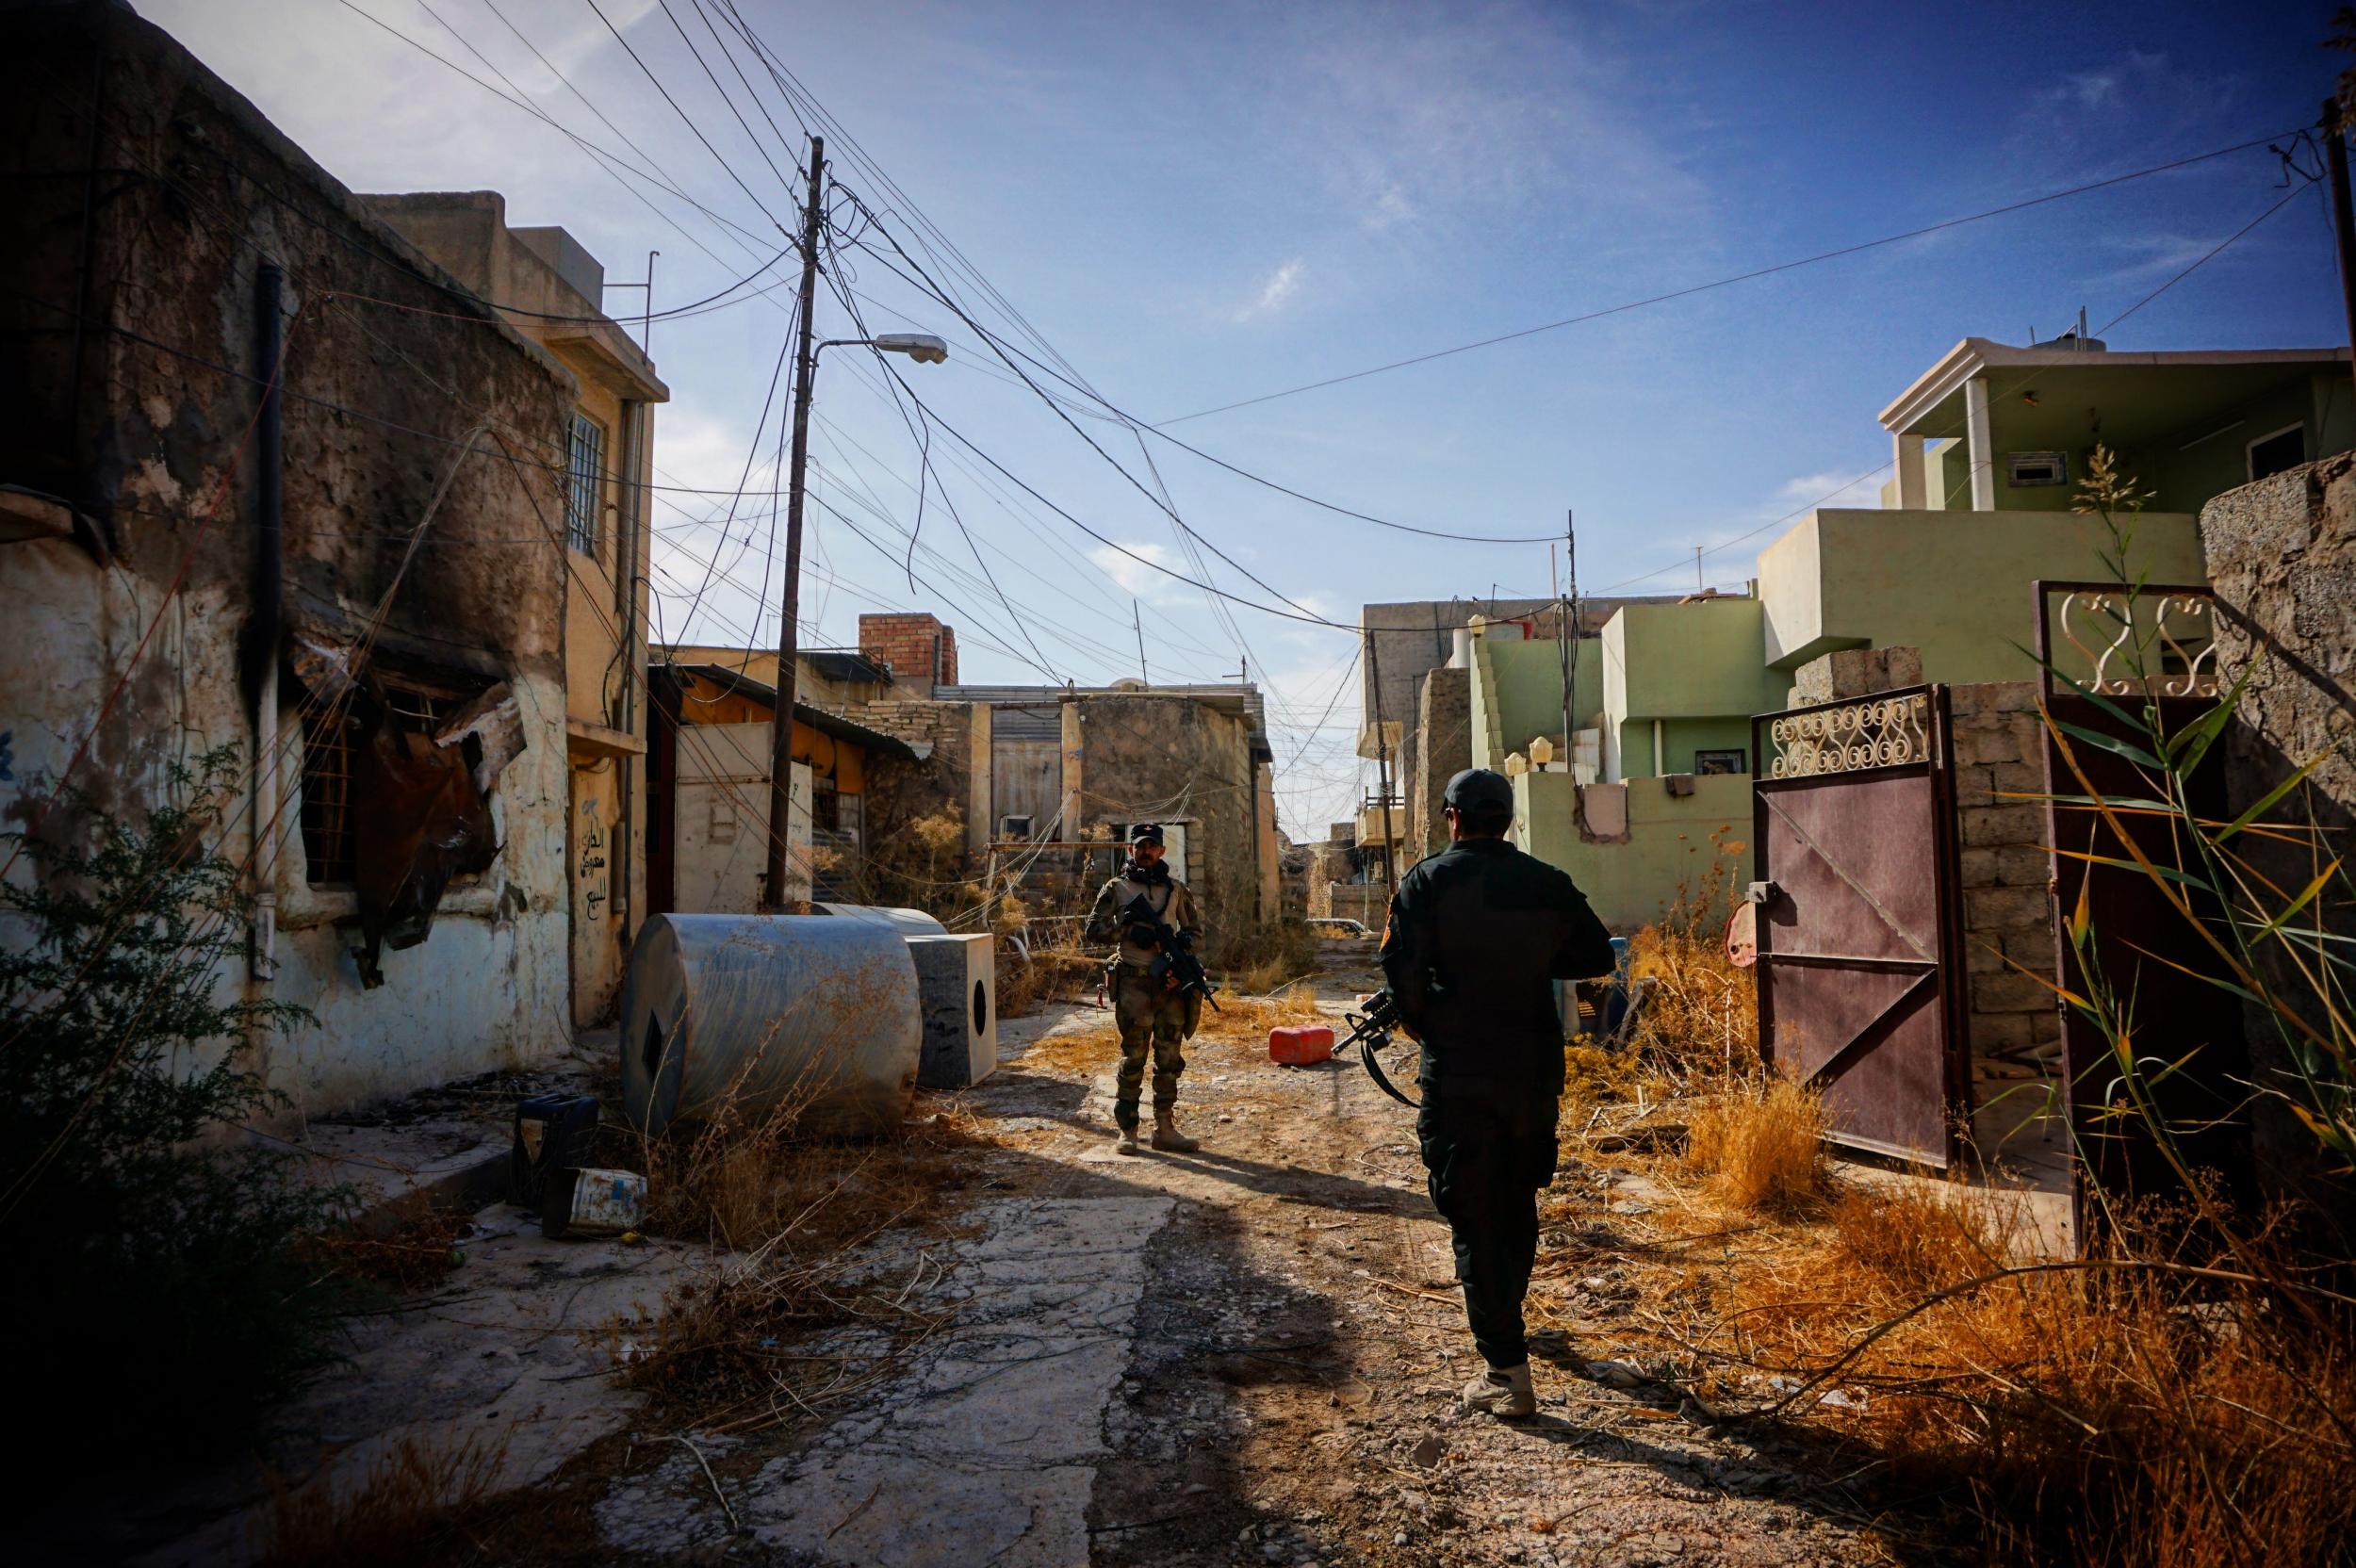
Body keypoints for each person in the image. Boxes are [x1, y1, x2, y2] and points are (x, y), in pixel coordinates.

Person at [1381, 767, 1615, 1417]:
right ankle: (1506, 1321)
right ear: (1507, 820)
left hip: (1460, 1071)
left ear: (1451, 816)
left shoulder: (1426, 881)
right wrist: (1534, 963)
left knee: (1471, 1203)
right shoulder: (1546, 882)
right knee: (1515, 1195)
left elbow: (1400, 974)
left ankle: (1505, 1370)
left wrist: (1434, 1022)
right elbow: (1598, 954)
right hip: (1532, 1067)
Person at [1085, 823, 1205, 1155]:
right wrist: (1125, 932)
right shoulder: (1116, 887)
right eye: (1140, 846)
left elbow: (1196, 933)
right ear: (1130, 849)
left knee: (1169, 1059)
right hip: (1135, 982)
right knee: (1133, 1056)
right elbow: (1092, 930)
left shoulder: (1177, 890)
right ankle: (1129, 1129)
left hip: (1170, 985)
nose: (1146, 851)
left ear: (1162, 851)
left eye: (1152, 846)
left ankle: (1165, 1128)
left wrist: (1182, 952)